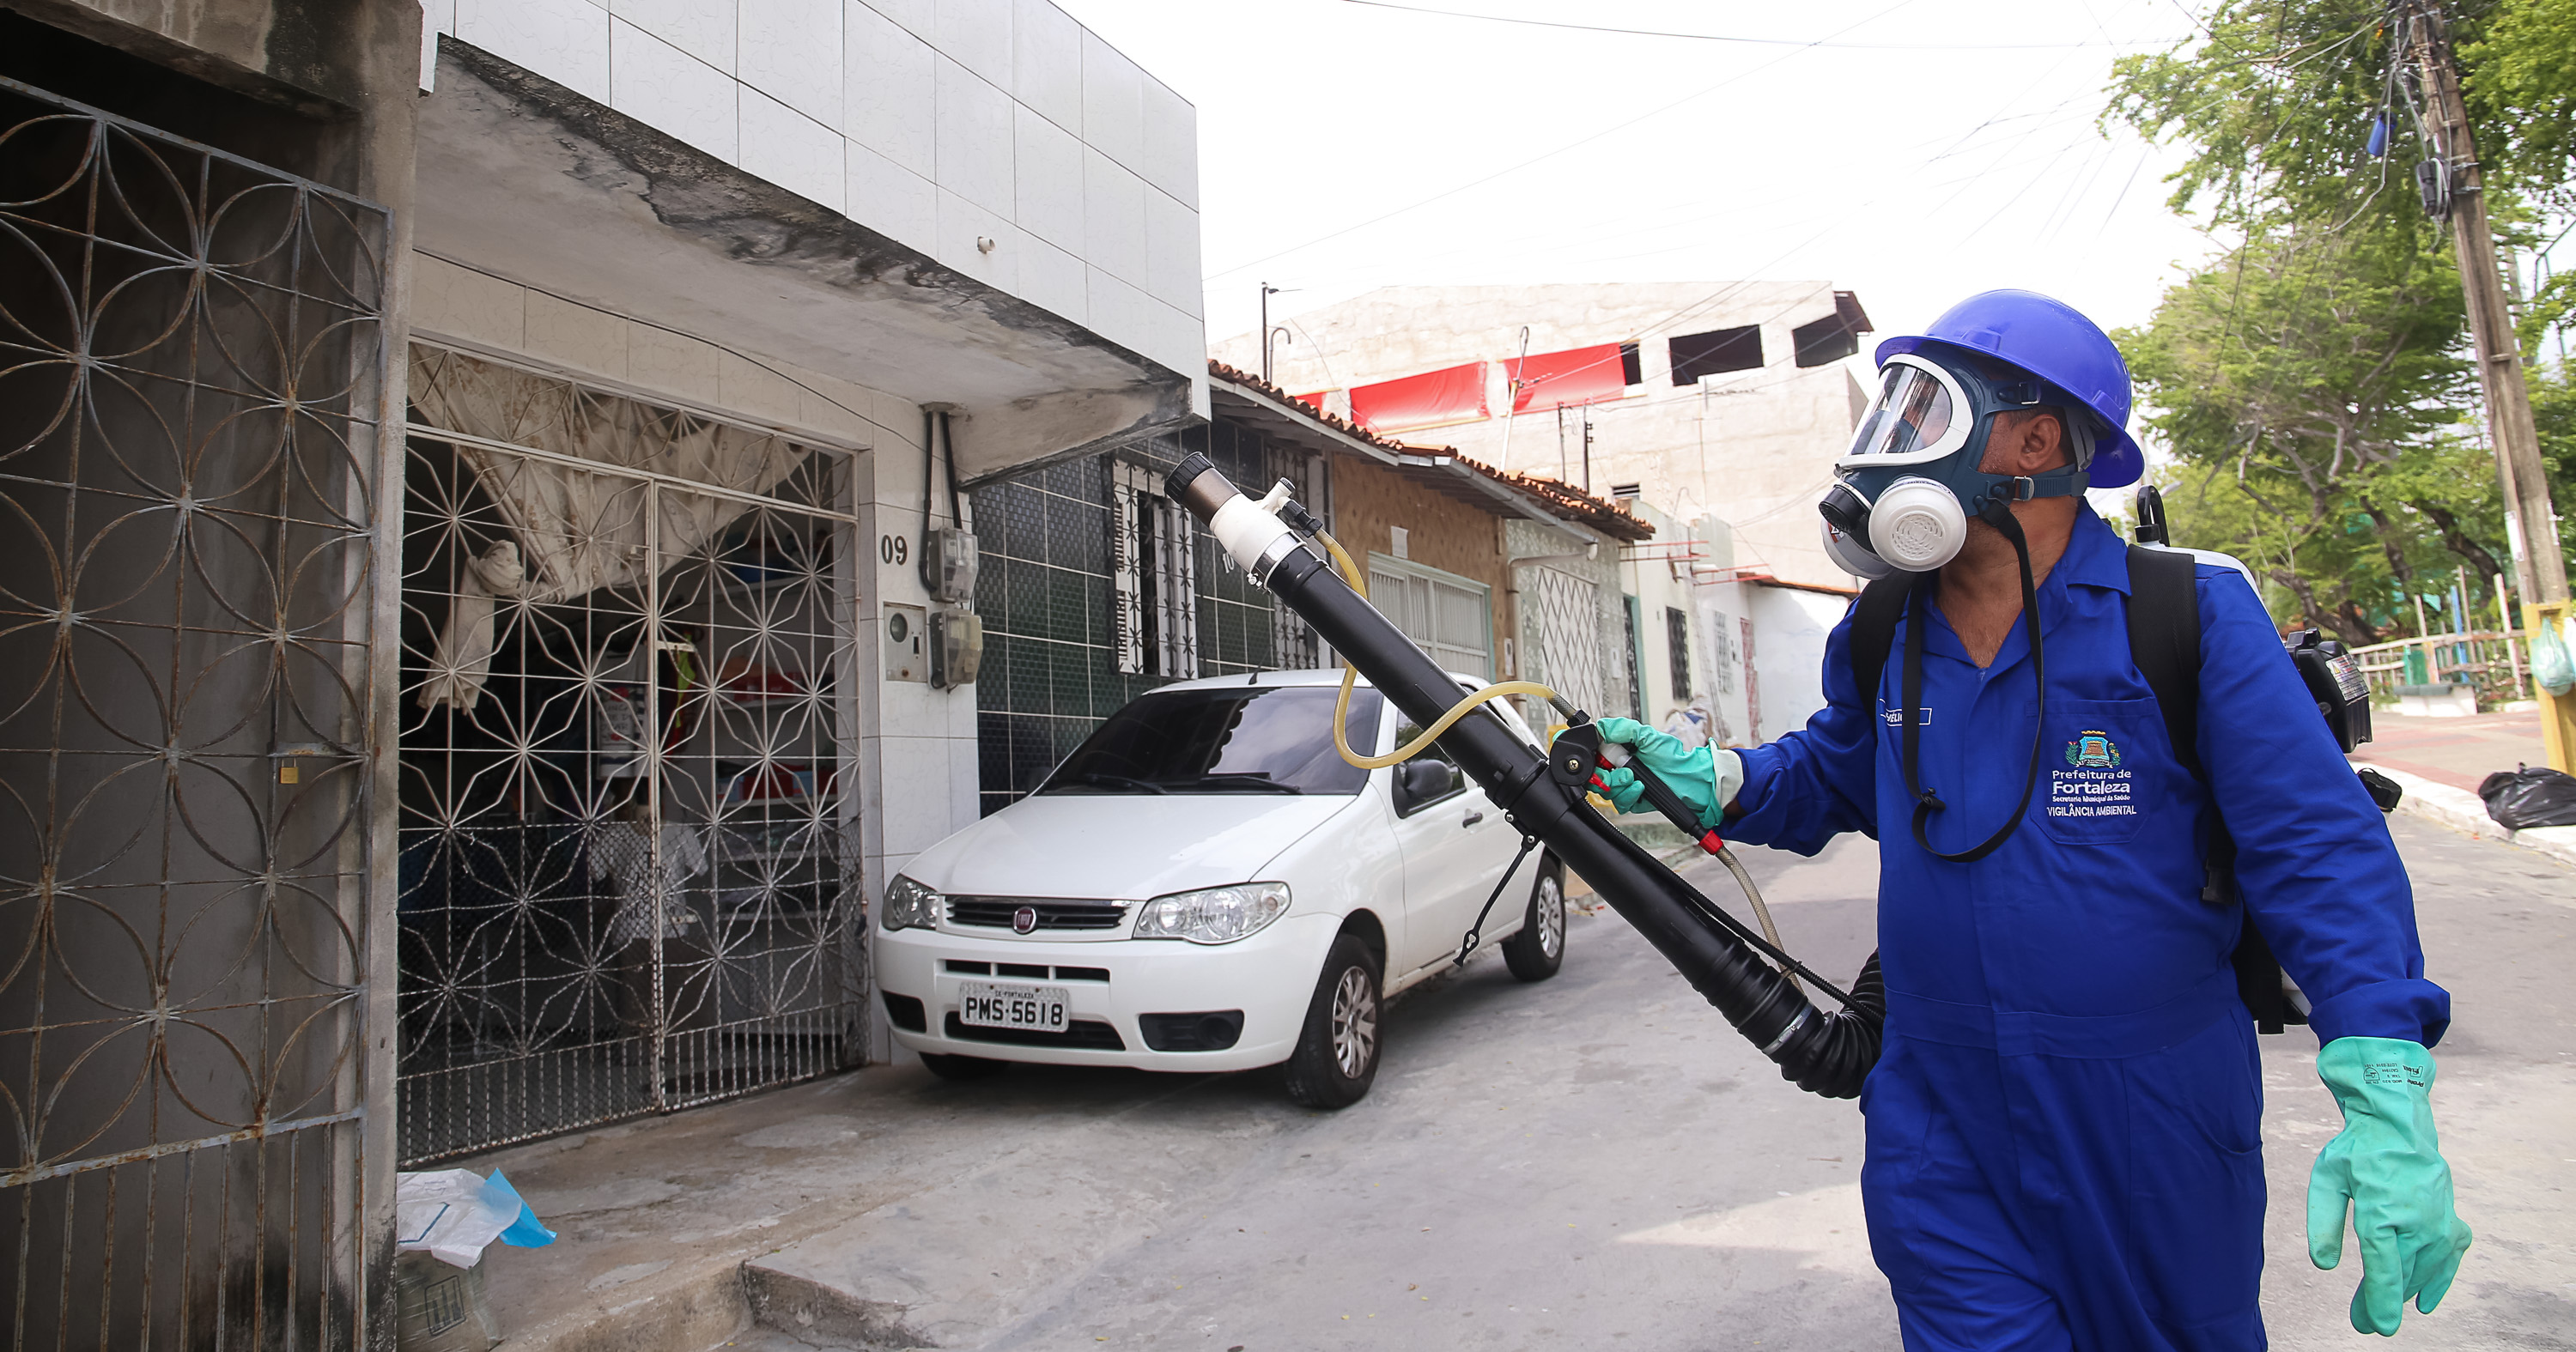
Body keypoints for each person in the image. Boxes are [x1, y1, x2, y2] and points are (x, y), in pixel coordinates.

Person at [1590, 290, 2468, 1350]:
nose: (1889, 444)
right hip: (1940, 1118)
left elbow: (2314, 845)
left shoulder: (2184, 615)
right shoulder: (1884, 628)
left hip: (2153, 1120)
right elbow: (1836, 774)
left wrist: (2382, 1074)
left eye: (1927, 412)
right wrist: (1717, 778)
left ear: (2035, 443)